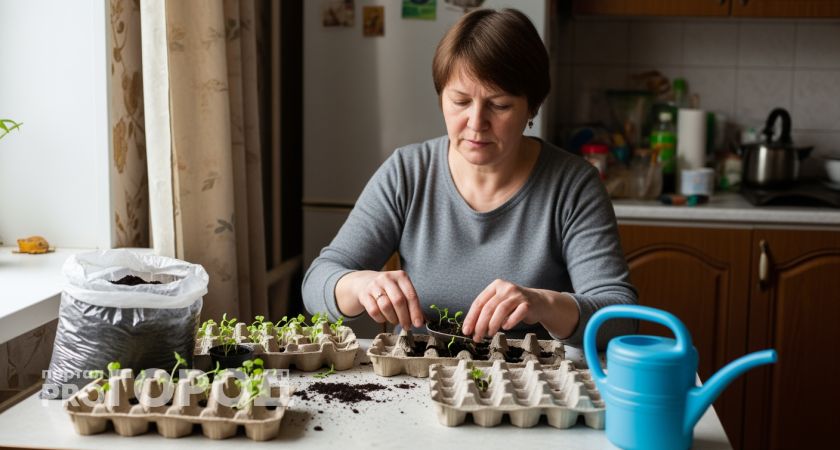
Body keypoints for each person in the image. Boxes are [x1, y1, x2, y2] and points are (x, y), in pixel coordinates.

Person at [302, 8, 637, 348]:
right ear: (440, 97)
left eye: (500, 105)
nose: (476, 123)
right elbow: (317, 283)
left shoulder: (573, 185)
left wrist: (544, 304)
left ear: (532, 107)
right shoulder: (407, 172)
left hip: (532, 384)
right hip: (422, 380)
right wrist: (359, 285)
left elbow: (621, 318)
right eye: (460, 101)